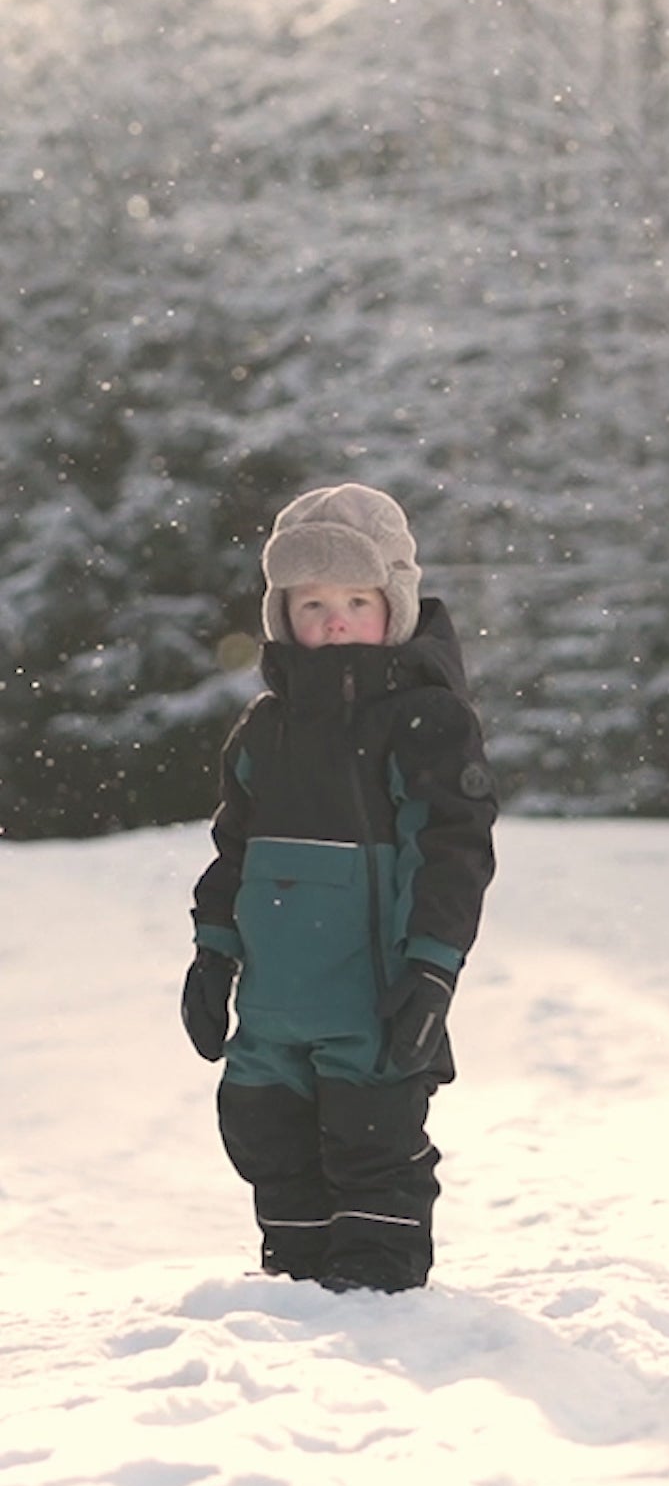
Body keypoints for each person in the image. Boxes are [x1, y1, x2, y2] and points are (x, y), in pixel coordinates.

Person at [181, 483, 497, 1293]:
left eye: (356, 599)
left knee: (372, 1148)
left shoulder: (425, 719)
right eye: (311, 601)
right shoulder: (265, 729)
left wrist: (431, 969)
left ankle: (380, 1315)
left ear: (392, 605)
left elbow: (452, 853)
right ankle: (298, 1314)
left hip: (374, 999)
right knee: (264, 1138)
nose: (333, 620)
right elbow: (234, 853)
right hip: (274, 1007)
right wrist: (213, 956)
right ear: (282, 614)